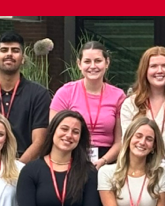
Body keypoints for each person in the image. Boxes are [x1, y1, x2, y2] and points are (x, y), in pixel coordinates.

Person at [0, 31, 52, 164]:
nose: (9, 54)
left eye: (15, 50)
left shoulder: (39, 94)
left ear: (23, 58)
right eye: (4, 50)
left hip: (25, 165)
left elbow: (39, 141)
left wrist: (17, 168)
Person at [51, 41, 126, 171]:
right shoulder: (65, 92)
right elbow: (54, 133)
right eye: (87, 62)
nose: (93, 66)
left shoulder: (118, 96)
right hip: (71, 156)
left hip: (107, 162)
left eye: (98, 61)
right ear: (79, 64)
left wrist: (103, 161)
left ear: (107, 63)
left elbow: (121, 141)